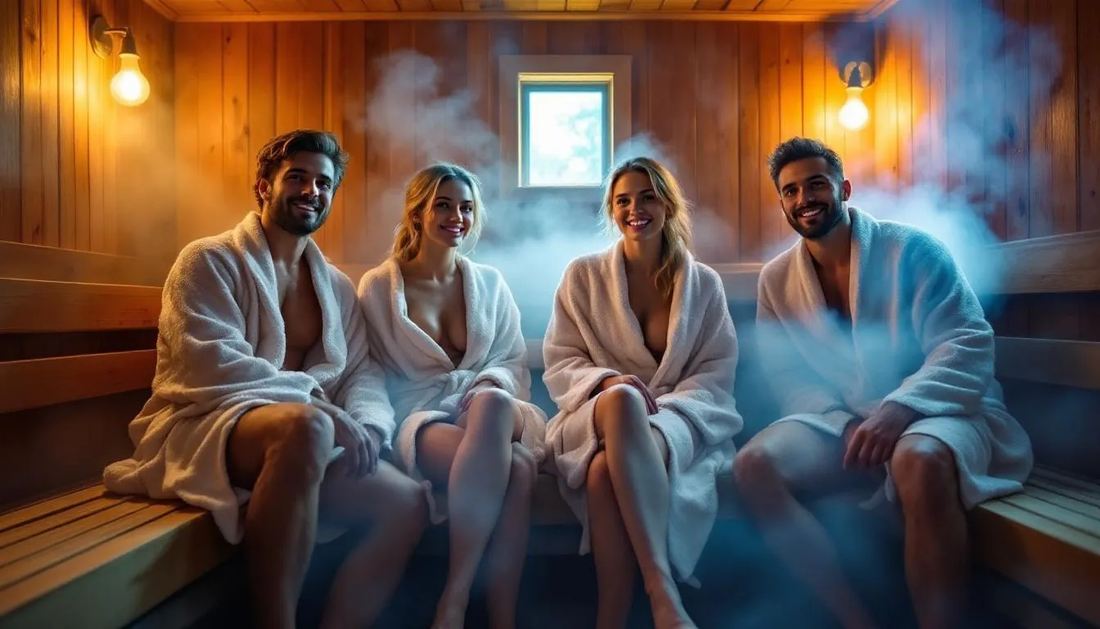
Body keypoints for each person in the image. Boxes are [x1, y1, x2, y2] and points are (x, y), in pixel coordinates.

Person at [103, 130, 427, 629]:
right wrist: (319, 410)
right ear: (263, 186)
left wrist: (370, 427)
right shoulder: (208, 259)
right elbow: (205, 361)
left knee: (405, 503)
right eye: (296, 177)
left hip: (308, 440)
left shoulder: (337, 288)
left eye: (323, 182)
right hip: (209, 426)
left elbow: (362, 371)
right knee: (306, 427)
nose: (311, 191)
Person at [733, 136, 1034, 629]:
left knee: (919, 459)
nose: (804, 198)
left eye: (816, 184)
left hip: (939, 410)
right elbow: (788, 375)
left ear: (844, 188)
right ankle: (854, 619)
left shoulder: (911, 249)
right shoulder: (777, 279)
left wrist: (901, 408)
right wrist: (842, 421)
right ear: (782, 201)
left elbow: (967, 340)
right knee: (754, 465)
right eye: (790, 191)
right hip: (847, 420)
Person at [542, 157, 744, 629]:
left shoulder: (703, 284)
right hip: (591, 414)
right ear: (611, 211)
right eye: (623, 200)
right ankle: (662, 593)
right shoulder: (583, 277)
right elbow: (562, 362)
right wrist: (607, 382)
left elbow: (715, 373)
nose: (636, 208)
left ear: (668, 204)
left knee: (600, 474)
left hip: (678, 418)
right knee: (624, 399)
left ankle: (610, 618)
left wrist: (664, 410)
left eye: (648, 196)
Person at [357, 162, 547, 629]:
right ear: (417, 213)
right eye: (443, 205)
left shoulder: (489, 283)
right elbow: (372, 369)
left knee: (494, 400)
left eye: (465, 207)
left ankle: (454, 599)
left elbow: (510, 363)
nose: (456, 216)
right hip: (421, 416)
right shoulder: (380, 286)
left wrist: (487, 383)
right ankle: (500, 617)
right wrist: (371, 424)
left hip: (493, 414)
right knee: (519, 470)